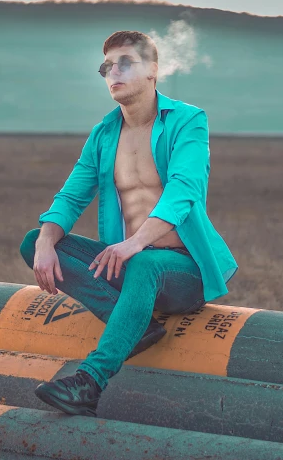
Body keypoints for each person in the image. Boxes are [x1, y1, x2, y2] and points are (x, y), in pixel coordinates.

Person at [20, 30, 238, 417]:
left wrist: (136, 242)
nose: (113, 72)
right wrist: (44, 244)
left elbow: (184, 190)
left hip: (181, 269)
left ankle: (89, 382)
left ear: (153, 70)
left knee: (144, 263)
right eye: (107, 66)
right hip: (129, 262)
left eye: (125, 62)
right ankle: (139, 327)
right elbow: (70, 198)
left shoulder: (187, 120)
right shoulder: (104, 134)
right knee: (36, 239)